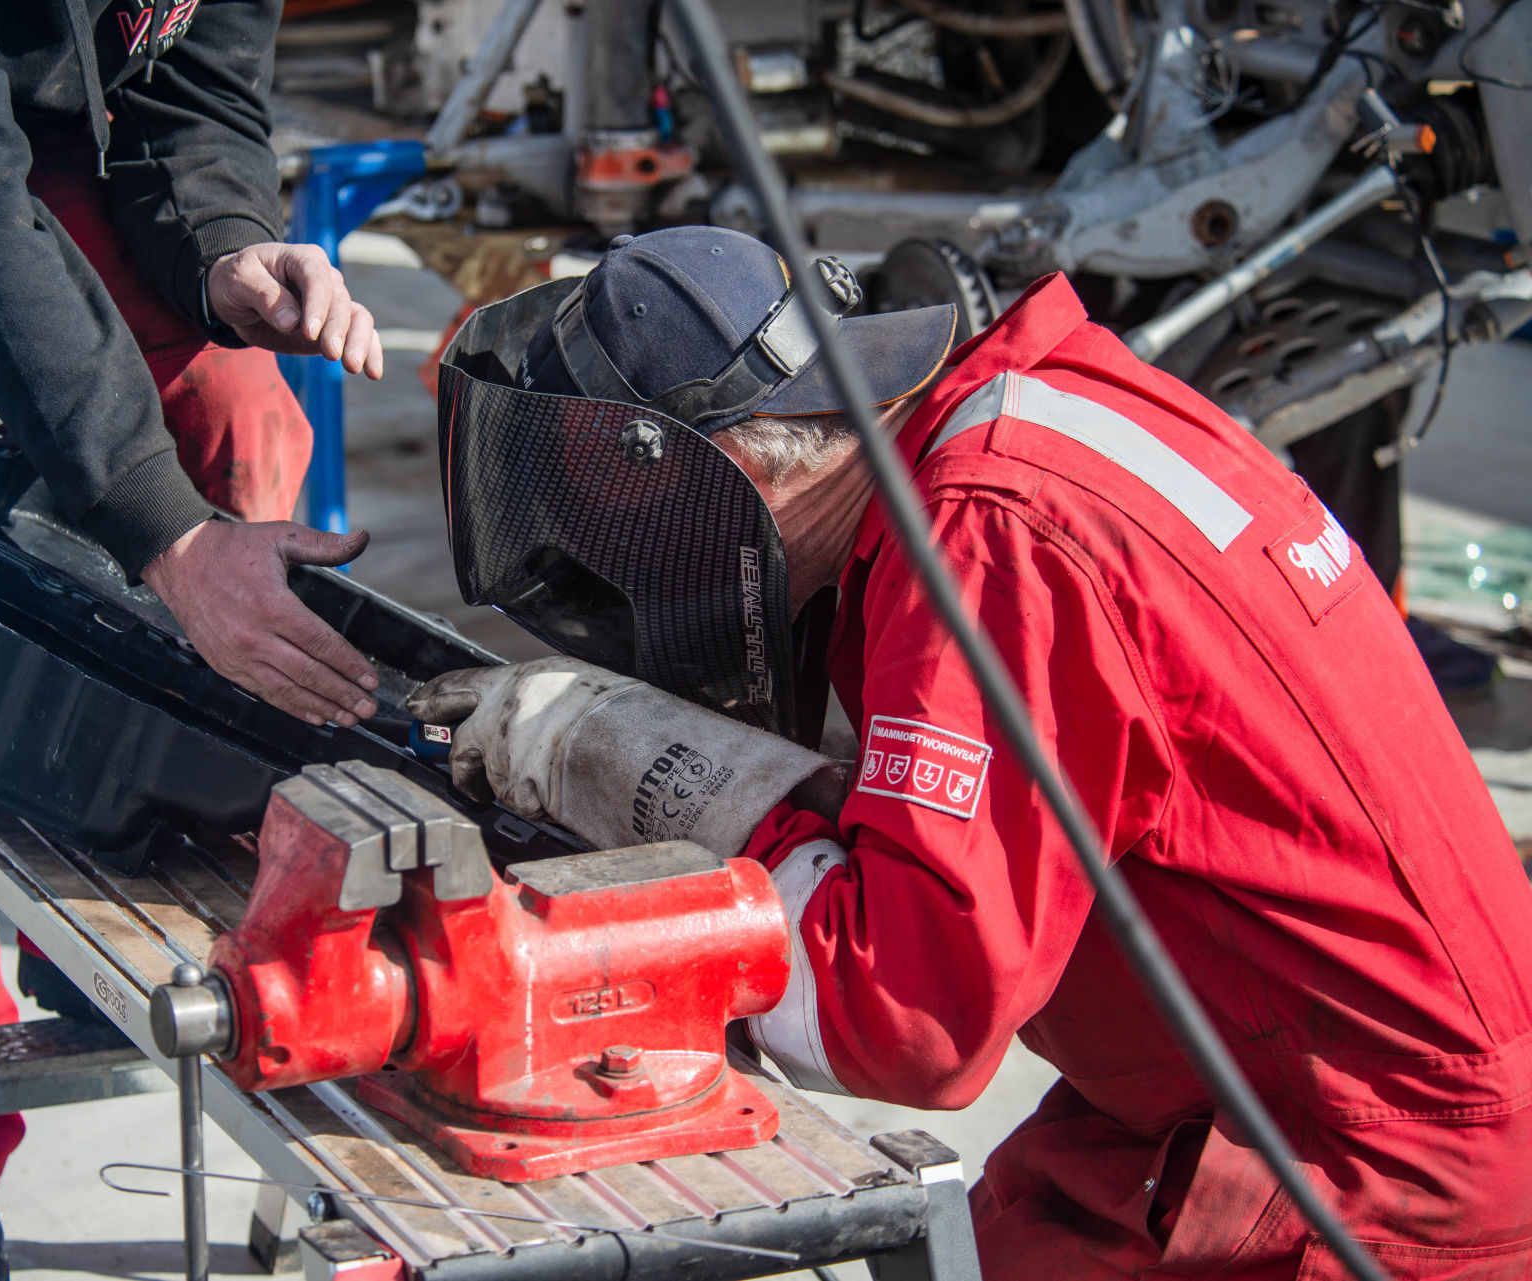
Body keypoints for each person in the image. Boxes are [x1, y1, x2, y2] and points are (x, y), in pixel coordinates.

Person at [408, 226, 1532, 1279]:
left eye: (632, 542)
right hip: (1238, 1085)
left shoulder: (993, 539)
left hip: (1363, 1175)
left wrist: (652, 769)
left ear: (739, 470)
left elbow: (900, 1020)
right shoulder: (1028, 411)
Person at [0, 1, 386, 1274]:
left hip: (13, 136)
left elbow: (194, 95)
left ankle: (158, 848)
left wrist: (223, 253)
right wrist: (165, 536)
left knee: (236, 411)